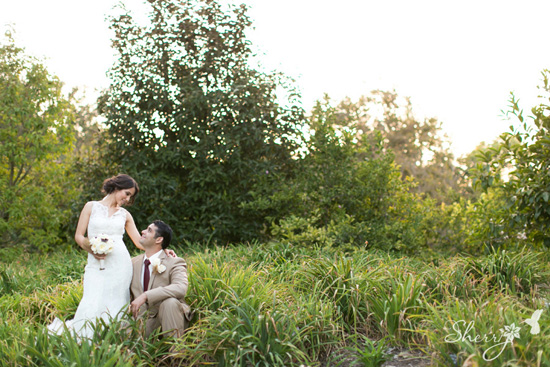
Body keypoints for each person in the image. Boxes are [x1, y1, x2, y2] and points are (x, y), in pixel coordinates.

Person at [48, 174, 175, 338]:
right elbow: (79, 236)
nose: (128, 199)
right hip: (95, 265)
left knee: (115, 304)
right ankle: (84, 339)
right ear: (117, 187)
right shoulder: (90, 207)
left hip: (120, 267)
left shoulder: (125, 215)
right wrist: (91, 249)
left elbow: (139, 242)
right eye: (127, 193)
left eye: (130, 196)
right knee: (91, 299)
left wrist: (162, 250)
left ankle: (112, 339)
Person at [129, 220, 192, 338]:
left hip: (167, 318)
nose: (142, 232)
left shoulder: (174, 262)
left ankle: (176, 354)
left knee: (170, 302)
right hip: (141, 321)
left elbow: (180, 288)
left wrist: (146, 296)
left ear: (159, 239)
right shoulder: (132, 263)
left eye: (149, 230)